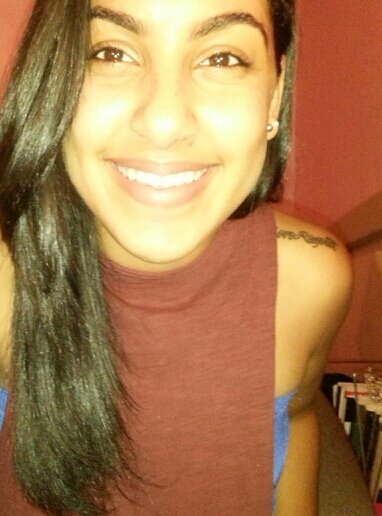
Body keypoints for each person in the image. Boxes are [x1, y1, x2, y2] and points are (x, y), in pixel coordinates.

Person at [0, 0, 352, 514]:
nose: (164, 122)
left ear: (274, 95)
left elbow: (297, 416)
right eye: (111, 52)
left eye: (222, 58)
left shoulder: (310, 277)